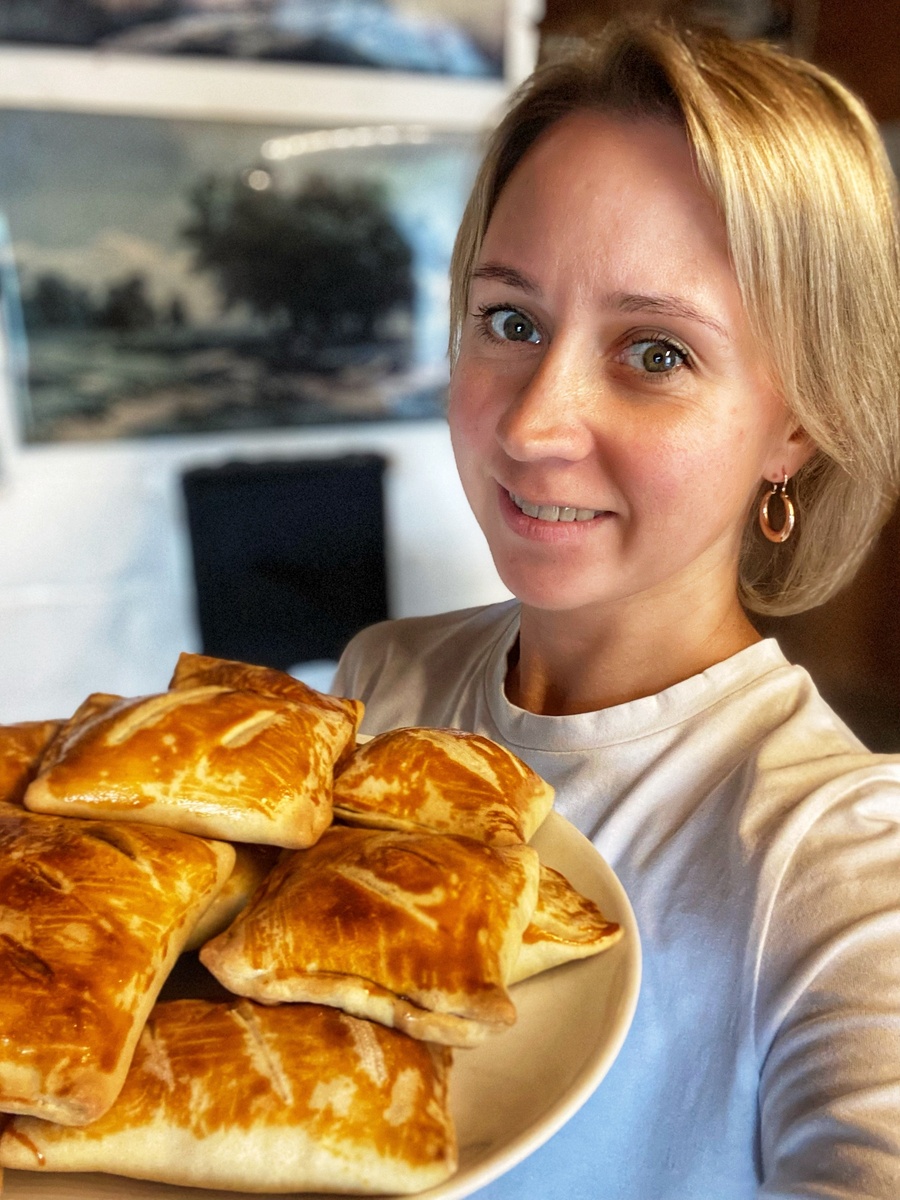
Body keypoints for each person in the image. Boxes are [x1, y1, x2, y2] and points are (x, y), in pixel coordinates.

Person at [333, 18, 900, 1199]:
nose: (533, 426)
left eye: (655, 353)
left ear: (797, 425)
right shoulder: (383, 682)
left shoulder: (833, 856)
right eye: (511, 321)